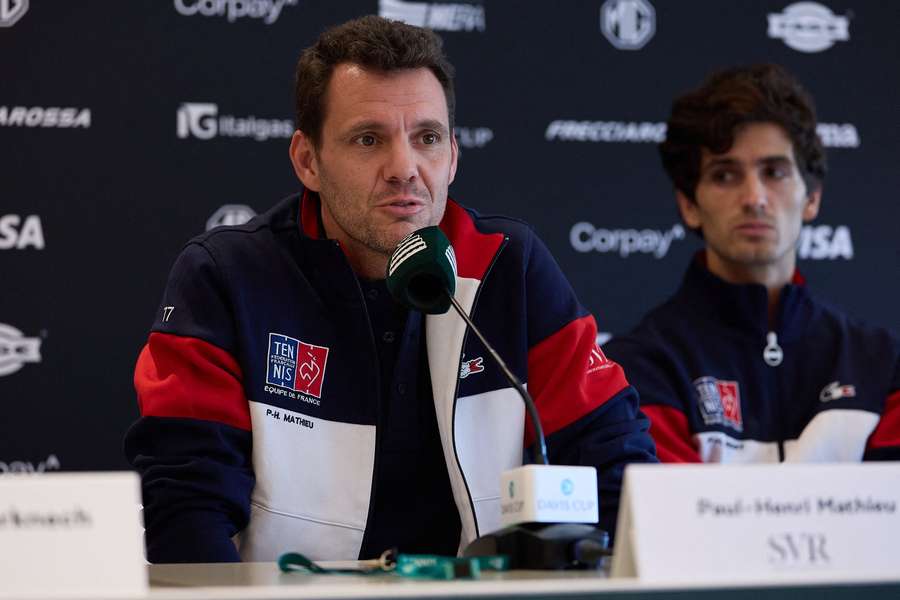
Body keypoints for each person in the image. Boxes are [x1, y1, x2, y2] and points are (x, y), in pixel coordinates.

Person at [124, 15, 656, 564]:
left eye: (426, 138)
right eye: (368, 139)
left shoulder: (508, 268)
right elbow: (186, 508)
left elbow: (616, 464)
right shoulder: (228, 277)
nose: (404, 168)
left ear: (452, 156)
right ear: (308, 160)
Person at [604, 64, 900, 464]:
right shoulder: (640, 369)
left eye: (774, 172)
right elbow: (670, 526)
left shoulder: (883, 366)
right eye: (725, 175)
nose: (754, 197)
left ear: (811, 197)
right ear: (689, 204)